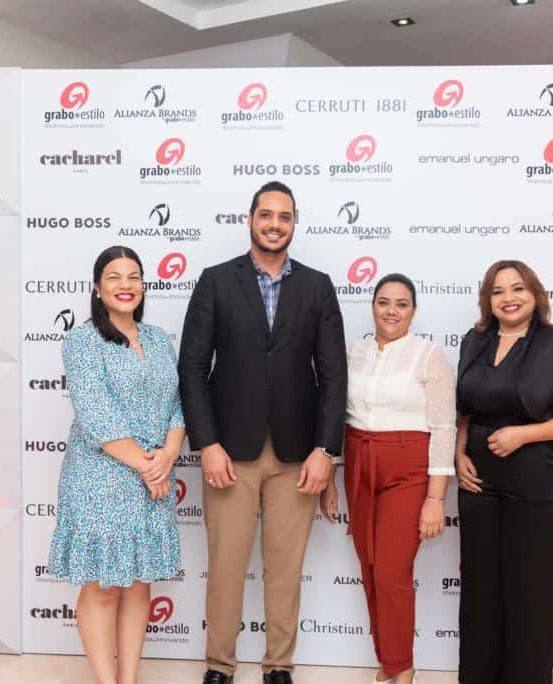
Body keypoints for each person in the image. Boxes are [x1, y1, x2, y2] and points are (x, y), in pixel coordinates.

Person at [178, 180, 348, 684]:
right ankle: (219, 666)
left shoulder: (317, 286)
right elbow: (192, 367)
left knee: (284, 569)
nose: (275, 224)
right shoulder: (214, 281)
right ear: (249, 219)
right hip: (230, 450)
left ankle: (278, 666)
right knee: (226, 568)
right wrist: (207, 443)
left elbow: (334, 374)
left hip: (298, 454)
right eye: (266, 214)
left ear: (295, 223)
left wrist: (326, 450)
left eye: (285, 216)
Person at [454, 260, 553, 684]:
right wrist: (459, 452)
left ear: (534, 295)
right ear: (488, 300)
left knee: (529, 594)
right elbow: (464, 408)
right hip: (478, 484)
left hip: (539, 485)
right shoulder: (475, 340)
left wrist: (524, 435)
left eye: (517, 288)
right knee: (480, 592)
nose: (508, 298)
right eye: (498, 291)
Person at [48, 245, 185, 684]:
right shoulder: (82, 341)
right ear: (96, 288)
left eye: (133, 277)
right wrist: (150, 468)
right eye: (114, 277)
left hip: (154, 478)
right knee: (104, 586)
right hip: (101, 479)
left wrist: (166, 457)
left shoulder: (160, 339)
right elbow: (96, 416)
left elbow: (178, 409)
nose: (125, 285)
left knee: (140, 581)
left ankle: (129, 679)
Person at [321, 273, 456, 684]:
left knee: (392, 572)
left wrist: (435, 499)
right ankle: (388, 662)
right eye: (384, 302)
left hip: (409, 466)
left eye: (401, 303)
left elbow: (444, 427)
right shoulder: (355, 353)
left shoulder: (428, 355)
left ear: (413, 310)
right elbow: (338, 417)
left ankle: (402, 668)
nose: (391, 311)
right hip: (360, 462)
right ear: (373, 306)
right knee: (370, 565)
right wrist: (330, 476)